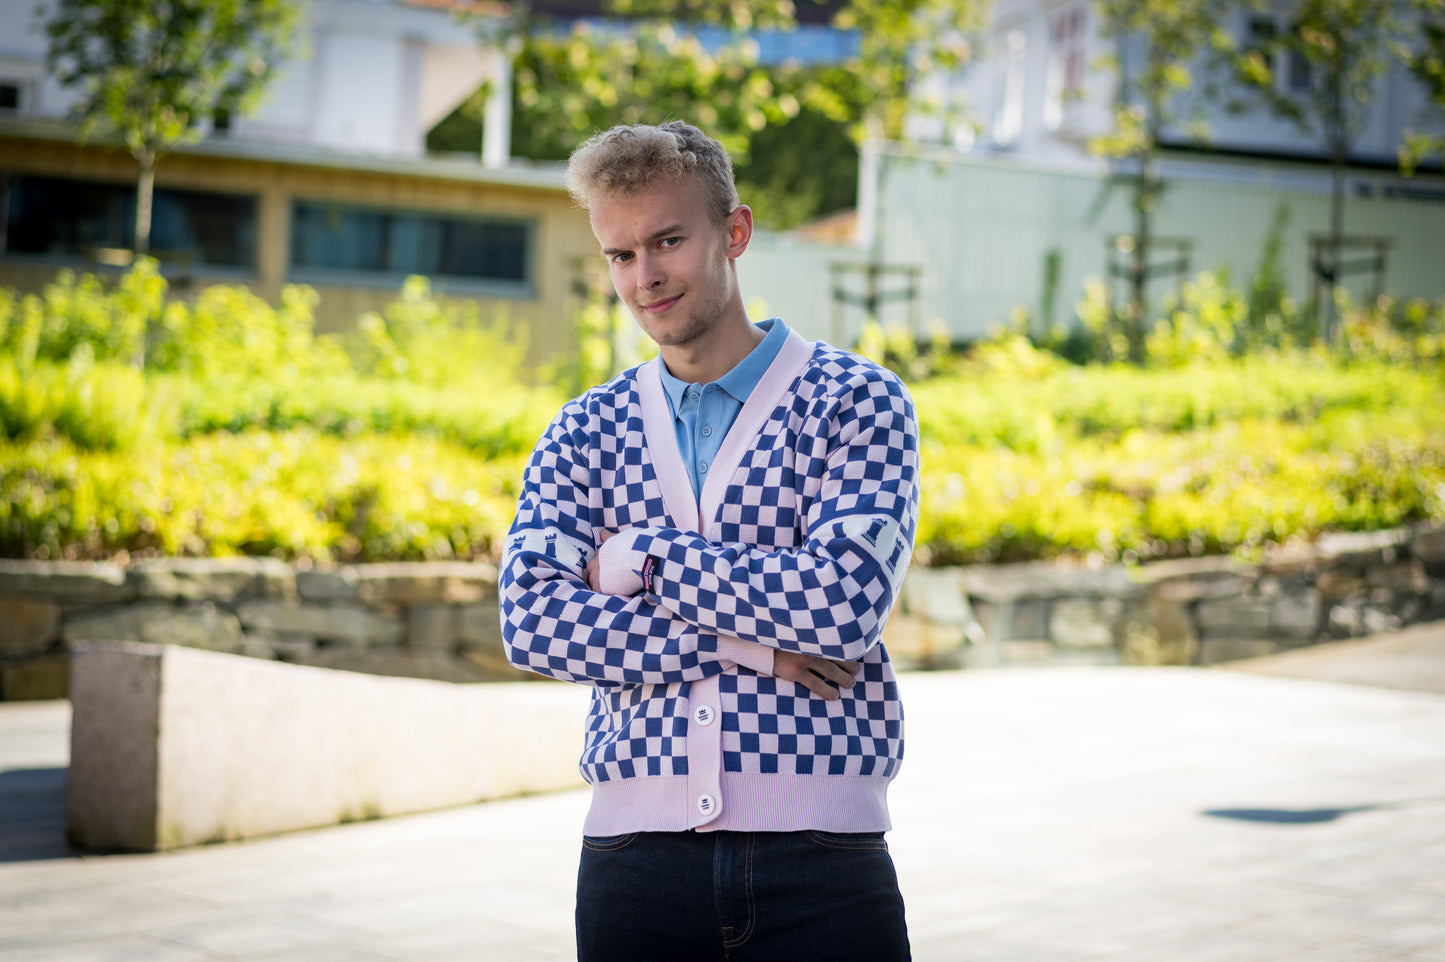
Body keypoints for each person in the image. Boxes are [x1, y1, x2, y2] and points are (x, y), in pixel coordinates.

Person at [499, 120, 920, 962]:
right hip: (633, 864)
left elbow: (839, 607)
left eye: (667, 241)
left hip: (822, 857)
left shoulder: (854, 402)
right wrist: (755, 648)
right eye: (620, 255)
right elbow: (533, 621)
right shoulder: (584, 429)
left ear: (734, 232)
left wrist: (639, 558)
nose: (644, 277)